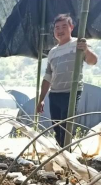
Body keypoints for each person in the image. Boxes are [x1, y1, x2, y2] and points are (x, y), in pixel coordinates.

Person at [36, 14, 98, 147]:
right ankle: (61, 156)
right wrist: (41, 99)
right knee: (57, 128)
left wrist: (86, 49)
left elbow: (93, 61)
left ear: (71, 27)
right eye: (57, 27)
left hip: (71, 93)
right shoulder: (52, 52)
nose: (60, 30)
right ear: (54, 31)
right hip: (55, 94)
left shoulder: (78, 43)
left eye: (64, 26)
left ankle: (67, 157)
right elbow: (47, 77)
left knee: (66, 126)